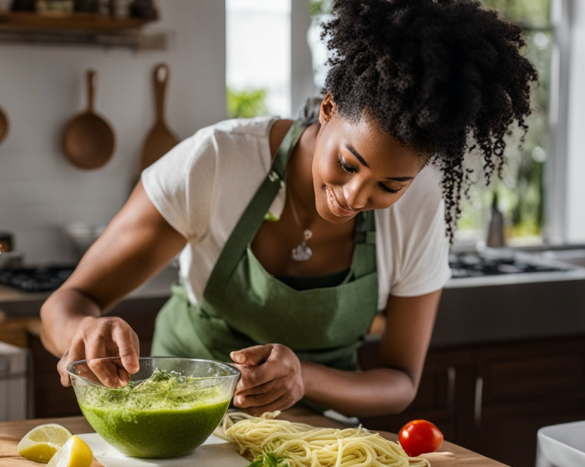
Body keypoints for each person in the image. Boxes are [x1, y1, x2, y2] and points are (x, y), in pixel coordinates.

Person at [39, 0, 537, 418]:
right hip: (178, 420)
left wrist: (305, 378)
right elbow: (66, 303)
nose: (355, 196)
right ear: (327, 109)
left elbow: (400, 381)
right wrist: (82, 330)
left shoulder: (419, 207)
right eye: (347, 163)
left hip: (316, 441)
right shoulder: (216, 162)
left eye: (389, 186)